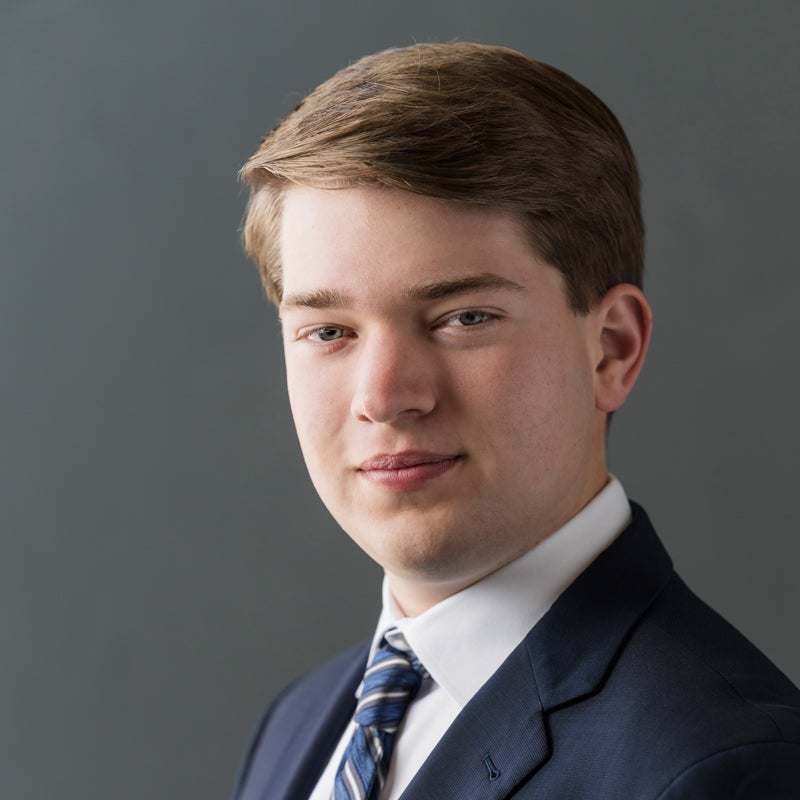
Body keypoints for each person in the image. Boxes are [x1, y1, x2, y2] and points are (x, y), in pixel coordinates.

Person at [232, 42, 800, 800]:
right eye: (329, 331)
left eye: (464, 317)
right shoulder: (300, 724)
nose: (385, 395)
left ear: (611, 349)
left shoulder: (721, 766)